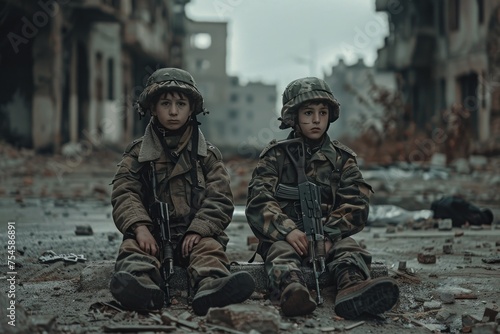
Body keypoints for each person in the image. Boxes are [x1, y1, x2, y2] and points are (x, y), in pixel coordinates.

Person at [246, 77, 399, 319]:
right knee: (279, 253)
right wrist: (288, 231)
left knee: (349, 250)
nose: (316, 120)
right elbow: (259, 200)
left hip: (328, 235)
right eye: (308, 113)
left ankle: (352, 288)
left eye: (322, 112)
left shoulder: (342, 158)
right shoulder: (276, 156)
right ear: (292, 117)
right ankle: (292, 290)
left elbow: (356, 204)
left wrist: (328, 235)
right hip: (288, 238)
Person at [109, 68, 255, 316]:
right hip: (152, 236)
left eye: (181, 104)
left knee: (210, 251)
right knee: (134, 251)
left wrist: (200, 229)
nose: (174, 111)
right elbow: (125, 193)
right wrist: (141, 228)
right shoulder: (137, 154)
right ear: (153, 108)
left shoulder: (206, 155)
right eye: (165, 103)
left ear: (192, 109)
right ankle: (141, 289)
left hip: (195, 236)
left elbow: (220, 198)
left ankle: (211, 289)